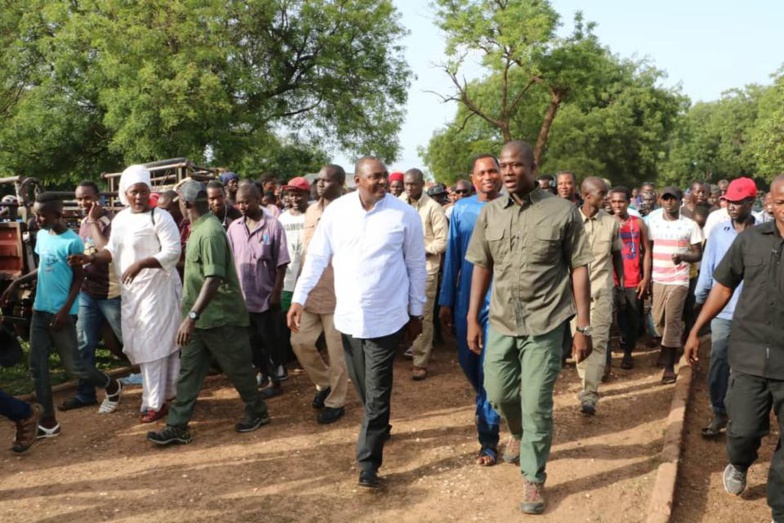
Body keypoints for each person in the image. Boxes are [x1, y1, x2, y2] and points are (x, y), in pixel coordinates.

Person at [465, 141, 592, 514]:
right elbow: (481, 265)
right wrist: (473, 316)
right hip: (502, 320)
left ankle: (533, 479)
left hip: (545, 322)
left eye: (515, 165)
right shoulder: (490, 214)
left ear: (533, 167)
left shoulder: (562, 213)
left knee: (537, 403)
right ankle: (517, 434)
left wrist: (582, 326)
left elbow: (580, 268)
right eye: (502, 166)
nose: (506, 172)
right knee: (498, 392)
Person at [288, 156, 426, 489]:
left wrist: (416, 312)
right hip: (347, 318)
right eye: (374, 178)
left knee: (377, 394)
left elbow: (416, 266)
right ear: (358, 181)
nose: (381, 182)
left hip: (387, 317)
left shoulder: (404, 215)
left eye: (383, 177)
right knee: (365, 389)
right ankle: (379, 425)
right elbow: (317, 256)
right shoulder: (337, 212)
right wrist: (298, 298)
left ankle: (368, 464)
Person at [684, 175, 784, 523]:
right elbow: (723, 287)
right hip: (750, 355)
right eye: (782, 202)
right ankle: (740, 462)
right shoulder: (751, 241)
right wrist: (697, 329)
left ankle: (780, 508)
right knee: (743, 430)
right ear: (770, 203)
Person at [146, 181, 271, 446]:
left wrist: (190, 317)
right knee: (189, 372)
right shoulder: (198, 229)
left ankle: (258, 411)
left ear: (186, 203)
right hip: (201, 319)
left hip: (219, 317)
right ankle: (177, 426)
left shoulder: (210, 232)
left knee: (237, 369)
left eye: (179, 200)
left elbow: (213, 278)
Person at [2, 193, 124, 439]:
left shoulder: (72, 242)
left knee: (75, 367)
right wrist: (19, 282)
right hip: (40, 310)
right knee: (37, 368)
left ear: (59, 215)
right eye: (35, 214)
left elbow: (79, 278)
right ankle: (48, 421)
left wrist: (64, 311)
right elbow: (44, 265)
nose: (37, 219)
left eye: (41, 215)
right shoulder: (43, 237)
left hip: (62, 314)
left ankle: (111, 384)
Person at [70, 165, 182, 422]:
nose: (140, 197)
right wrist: (88, 258)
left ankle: (154, 403)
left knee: (156, 344)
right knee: (142, 344)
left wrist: (142, 263)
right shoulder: (121, 220)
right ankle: (168, 395)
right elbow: (110, 251)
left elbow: (172, 252)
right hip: (133, 292)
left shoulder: (160, 217)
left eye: (144, 192)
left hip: (159, 290)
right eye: (134, 192)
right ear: (125, 193)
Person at [438, 153, 503, 466]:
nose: (488, 176)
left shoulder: (512, 206)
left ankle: (488, 440)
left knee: (491, 366)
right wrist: (446, 301)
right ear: (473, 178)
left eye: (493, 171)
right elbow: (452, 258)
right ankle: (488, 401)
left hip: (501, 300)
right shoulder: (461, 211)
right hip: (468, 299)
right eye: (482, 172)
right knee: (468, 361)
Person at [693, 178, 758, 438]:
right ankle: (719, 412)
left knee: (746, 368)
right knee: (719, 360)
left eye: (739, 202)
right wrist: (700, 302)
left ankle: (743, 419)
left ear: (751, 202)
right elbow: (708, 271)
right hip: (724, 311)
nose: (732, 206)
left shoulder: (765, 231)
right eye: (729, 201)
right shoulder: (719, 233)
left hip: (755, 314)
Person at [289, 165, 349, 424]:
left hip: (339, 294)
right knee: (299, 342)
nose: (321, 185)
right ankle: (324, 383)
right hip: (311, 292)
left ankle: (336, 401)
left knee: (337, 353)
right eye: (319, 180)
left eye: (327, 180)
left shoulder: (349, 210)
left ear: (339, 183)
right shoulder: (312, 210)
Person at [59, 181, 124, 412]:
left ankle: (157, 386)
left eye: (87, 198)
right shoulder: (84, 223)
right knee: (84, 344)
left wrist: (94, 221)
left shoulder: (112, 222)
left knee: (128, 342)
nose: (82, 203)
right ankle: (85, 394)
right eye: (78, 199)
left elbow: (107, 250)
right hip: (88, 293)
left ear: (98, 197)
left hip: (111, 293)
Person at [227, 183, 290, 398]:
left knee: (270, 340)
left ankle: (276, 381)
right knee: (250, 341)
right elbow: (230, 260)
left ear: (258, 199)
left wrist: (276, 292)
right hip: (243, 297)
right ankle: (262, 370)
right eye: (240, 202)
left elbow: (282, 263)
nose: (243, 206)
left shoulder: (273, 226)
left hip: (265, 297)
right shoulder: (234, 227)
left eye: (247, 201)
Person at [573, 177, 623, 415]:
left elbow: (617, 254)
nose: (607, 199)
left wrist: (620, 284)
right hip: (573, 295)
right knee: (581, 341)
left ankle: (590, 394)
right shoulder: (569, 222)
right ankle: (585, 384)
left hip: (602, 291)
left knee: (599, 341)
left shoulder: (611, 223)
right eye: (602, 194)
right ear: (586, 195)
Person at [647, 186, 703, 384]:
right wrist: (646, 277)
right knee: (657, 321)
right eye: (666, 199)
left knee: (672, 320)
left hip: (679, 280)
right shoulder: (653, 223)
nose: (669, 202)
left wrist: (683, 256)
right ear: (661, 201)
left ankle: (670, 367)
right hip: (658, 278)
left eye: (673, 199)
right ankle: (670, 344)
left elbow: (698, 253)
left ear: (680, 201)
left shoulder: (690, 225)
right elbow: (648, 250)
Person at [397, 168, 448, 380]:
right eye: (407, 184)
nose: (410, 188)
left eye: (414, 184)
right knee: (398, 310)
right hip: (399, 268)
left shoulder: (433, 208)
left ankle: (420, 361)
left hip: (425, 268)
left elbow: (442, 241)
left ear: (422, 184)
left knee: (423, 315)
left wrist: (420, 251)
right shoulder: (397, 203)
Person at [609, 186, 652, 369]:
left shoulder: (638, 223)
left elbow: (647, 251)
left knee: (633, 316)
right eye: (614, 201)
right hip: (612, 278)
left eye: (621, 201)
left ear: (628, 202)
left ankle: (628, 352)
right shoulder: (606, 222)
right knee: (615, 316)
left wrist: (646, 278)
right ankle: (611, 355)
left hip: (633, 277)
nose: (617, 205)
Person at [278, 177, 310, 312]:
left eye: (299, 195)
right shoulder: (282, 218)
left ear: (307, 195)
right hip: (287, 279)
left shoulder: (312, 215)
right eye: (292, 195)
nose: (295, 199)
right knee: (285, 316)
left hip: (308, 278)